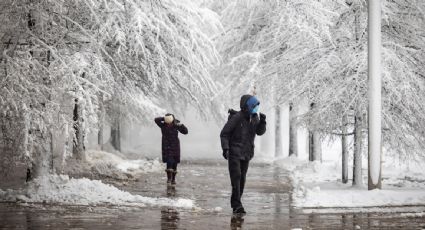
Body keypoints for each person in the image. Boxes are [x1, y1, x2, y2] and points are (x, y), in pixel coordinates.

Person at [220, 94, 266, 216]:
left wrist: (263, 122)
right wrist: (225, 149)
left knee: (242, 180)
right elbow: (224, 134)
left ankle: (236, 202)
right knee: (236, 178)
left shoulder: (254, 118)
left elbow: (260, 132)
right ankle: (237, 205)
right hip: (234, 153)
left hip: (246, 154)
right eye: (255, 106)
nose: (256, 108)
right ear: (248, 105)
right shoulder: (237, 118)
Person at [155, 114, 188, 186]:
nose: (168, 122)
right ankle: (169, 179)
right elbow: (156, 120)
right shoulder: (163, 125)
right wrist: (164, 118)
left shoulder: (176, 125)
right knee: (169, 162)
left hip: (175, 145)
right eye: (167, 121)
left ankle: (173, 179)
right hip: (166, 145)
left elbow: (185, 132)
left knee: (175, 163)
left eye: (170, 120)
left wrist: (181, 125)